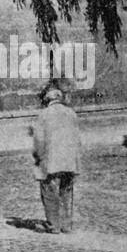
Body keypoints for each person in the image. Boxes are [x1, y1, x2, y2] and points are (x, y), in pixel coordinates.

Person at [29, 85, 81, 233]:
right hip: (70, 160)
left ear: (47, 99)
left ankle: (53, 225)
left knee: (50, 192)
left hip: (51, 161)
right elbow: (77, 139)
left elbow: (39, 141)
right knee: (67, 192)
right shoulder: (71, 113)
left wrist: (38, 157)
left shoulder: (44, 115)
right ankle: (67, 225)